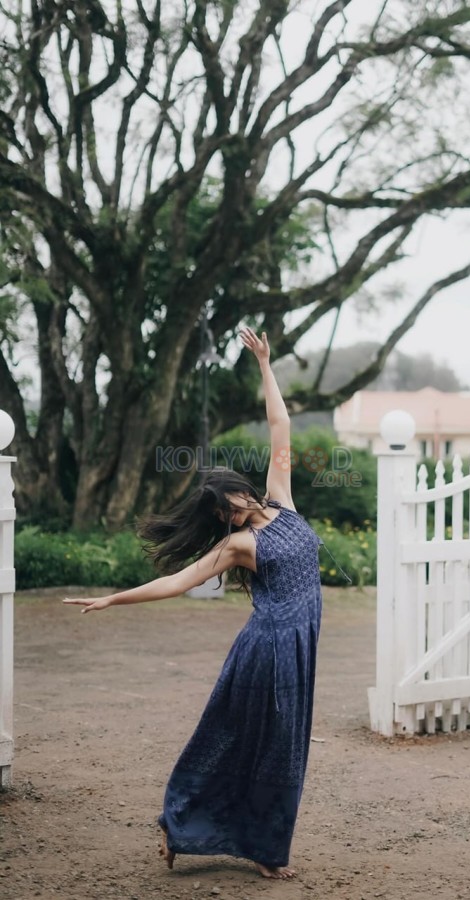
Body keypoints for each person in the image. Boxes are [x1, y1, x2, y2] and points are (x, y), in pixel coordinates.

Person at [63, 327, 322, 880]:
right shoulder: (238, 546)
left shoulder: (283, 501)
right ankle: (201, 831)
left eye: (229, 495)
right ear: (222, 517)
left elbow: (281, 426)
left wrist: (265, 365)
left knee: (284, 751)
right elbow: (178, 582)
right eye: (222, 507)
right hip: (269, 652)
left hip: (300, 648)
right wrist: (114, 598)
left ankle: (249, 844)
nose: (231, 505)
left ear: (239, 487)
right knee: (251, 747)